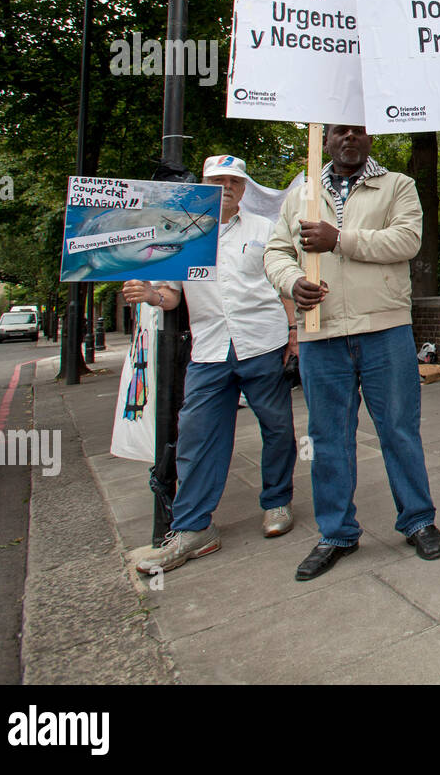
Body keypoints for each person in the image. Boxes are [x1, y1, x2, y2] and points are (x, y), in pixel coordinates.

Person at [264, 124, 440, 581]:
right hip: (320, 333)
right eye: (339, 132)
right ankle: (337, 533)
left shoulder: (397, 186)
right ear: (325, 141)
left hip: (383, 328)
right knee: (328, 438)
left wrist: (338, 238)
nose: (349, 138)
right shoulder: (301, 191)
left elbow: (408, 241)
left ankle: (418, 520)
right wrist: (291, 282)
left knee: (399, 430)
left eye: (359, 132)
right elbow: (274, 252)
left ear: (372, 140)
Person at [126, 155, 298, 575]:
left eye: (233, 182)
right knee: (197, 436)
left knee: (277, 428)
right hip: (209, 350)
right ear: (201, 187)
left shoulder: (266, 228)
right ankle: (193, 527)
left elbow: (284, 281)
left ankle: (276, 501)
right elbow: (170, 297)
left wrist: (294, 333)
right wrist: (149, 294)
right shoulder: (182, 236)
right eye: (216, 181)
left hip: (263, 343)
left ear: (243, 188)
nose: (226, 188)